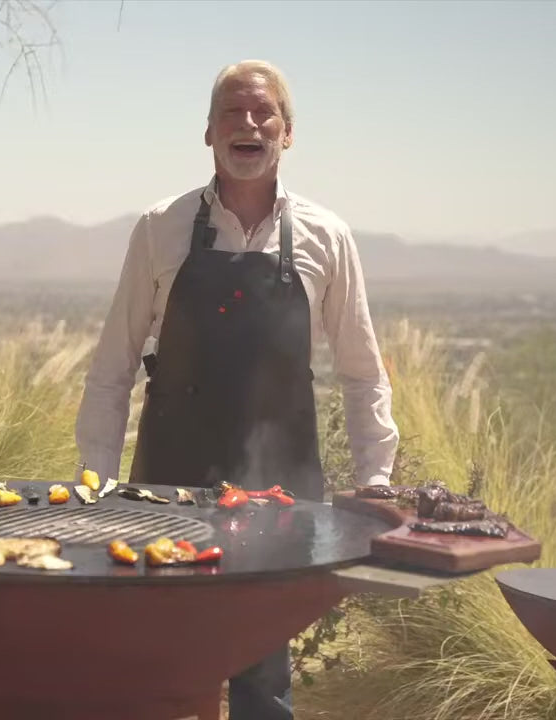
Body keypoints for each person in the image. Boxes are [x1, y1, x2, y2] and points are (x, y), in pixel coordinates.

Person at [74, 60, 400, 719]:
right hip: (165, 492)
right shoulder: (158, 227)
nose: (247, 124)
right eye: (232, 111)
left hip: (277, 500)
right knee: (155, 676)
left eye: (263, 112)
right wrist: (94, 487)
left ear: (287, 132)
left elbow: (362, 373)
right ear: (207, 132)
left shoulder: (326, 237)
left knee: (262, 684)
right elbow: (112, 368)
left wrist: (378, 482)